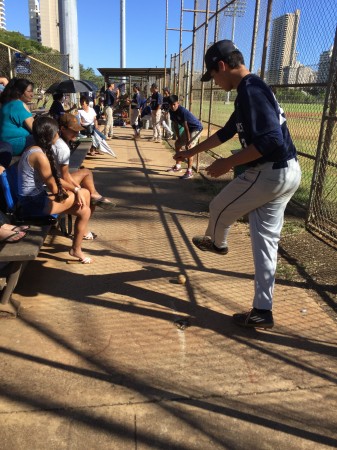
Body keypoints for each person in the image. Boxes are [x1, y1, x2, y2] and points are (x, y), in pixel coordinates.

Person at [174, 40, 301, 328]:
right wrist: (189, 152)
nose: (215, 82)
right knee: (265, 246)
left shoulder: (251, 89)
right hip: (286, 171)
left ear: (222, 65)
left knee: (218, 207)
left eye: (213, 76)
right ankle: (262, 311)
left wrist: (225, 163)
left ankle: (217, 244)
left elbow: (271, 141)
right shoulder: (250, 90)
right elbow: (227, 133)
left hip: (271, 172)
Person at [17, 116, 93, 264]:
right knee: (85, 197)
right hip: (32, 204)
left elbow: (55, 182)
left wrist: (75, 190)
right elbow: (54, 186)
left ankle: (77, 247)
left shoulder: (34, 149)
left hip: (32, 200)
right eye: (57, 132)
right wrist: (77, 192)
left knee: (84, 209)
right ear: (51, 134)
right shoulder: (39, 156)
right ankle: (77, 246)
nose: (58, 135)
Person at [53, 113, 116, 222]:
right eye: (74, 131)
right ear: (62, 129)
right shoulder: (62, 148)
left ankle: (94, 194)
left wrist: (76, 186)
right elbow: (64, 176)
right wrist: (77, 188)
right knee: (86, 194)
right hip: (53, 184)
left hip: (55, 180)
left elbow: (64, 174)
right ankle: (84, 229)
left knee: (86, 172)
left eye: (78, 130)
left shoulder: (61, 142)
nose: (77, 133)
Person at [168, 95, 203, 179]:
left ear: (178, 103)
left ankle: (189, 171)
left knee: (189, 148)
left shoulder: (182, 111)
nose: (173, 106)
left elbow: (186, 126)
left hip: (196, 128)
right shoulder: (171, 111)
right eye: (171, 105)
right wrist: (178, 137)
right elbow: (175, 124)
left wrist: (188, 141)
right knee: (177, 144)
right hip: (189, 129)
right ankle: (178, 166)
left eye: (174, 104)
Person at [0, 78, 35, 157]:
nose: (32, 94)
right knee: (46, 138)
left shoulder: (7, 103)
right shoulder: (18, 104)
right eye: (29, 91)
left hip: (5, 143)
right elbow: (35, 129)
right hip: (14, 144)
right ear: (19, 92)